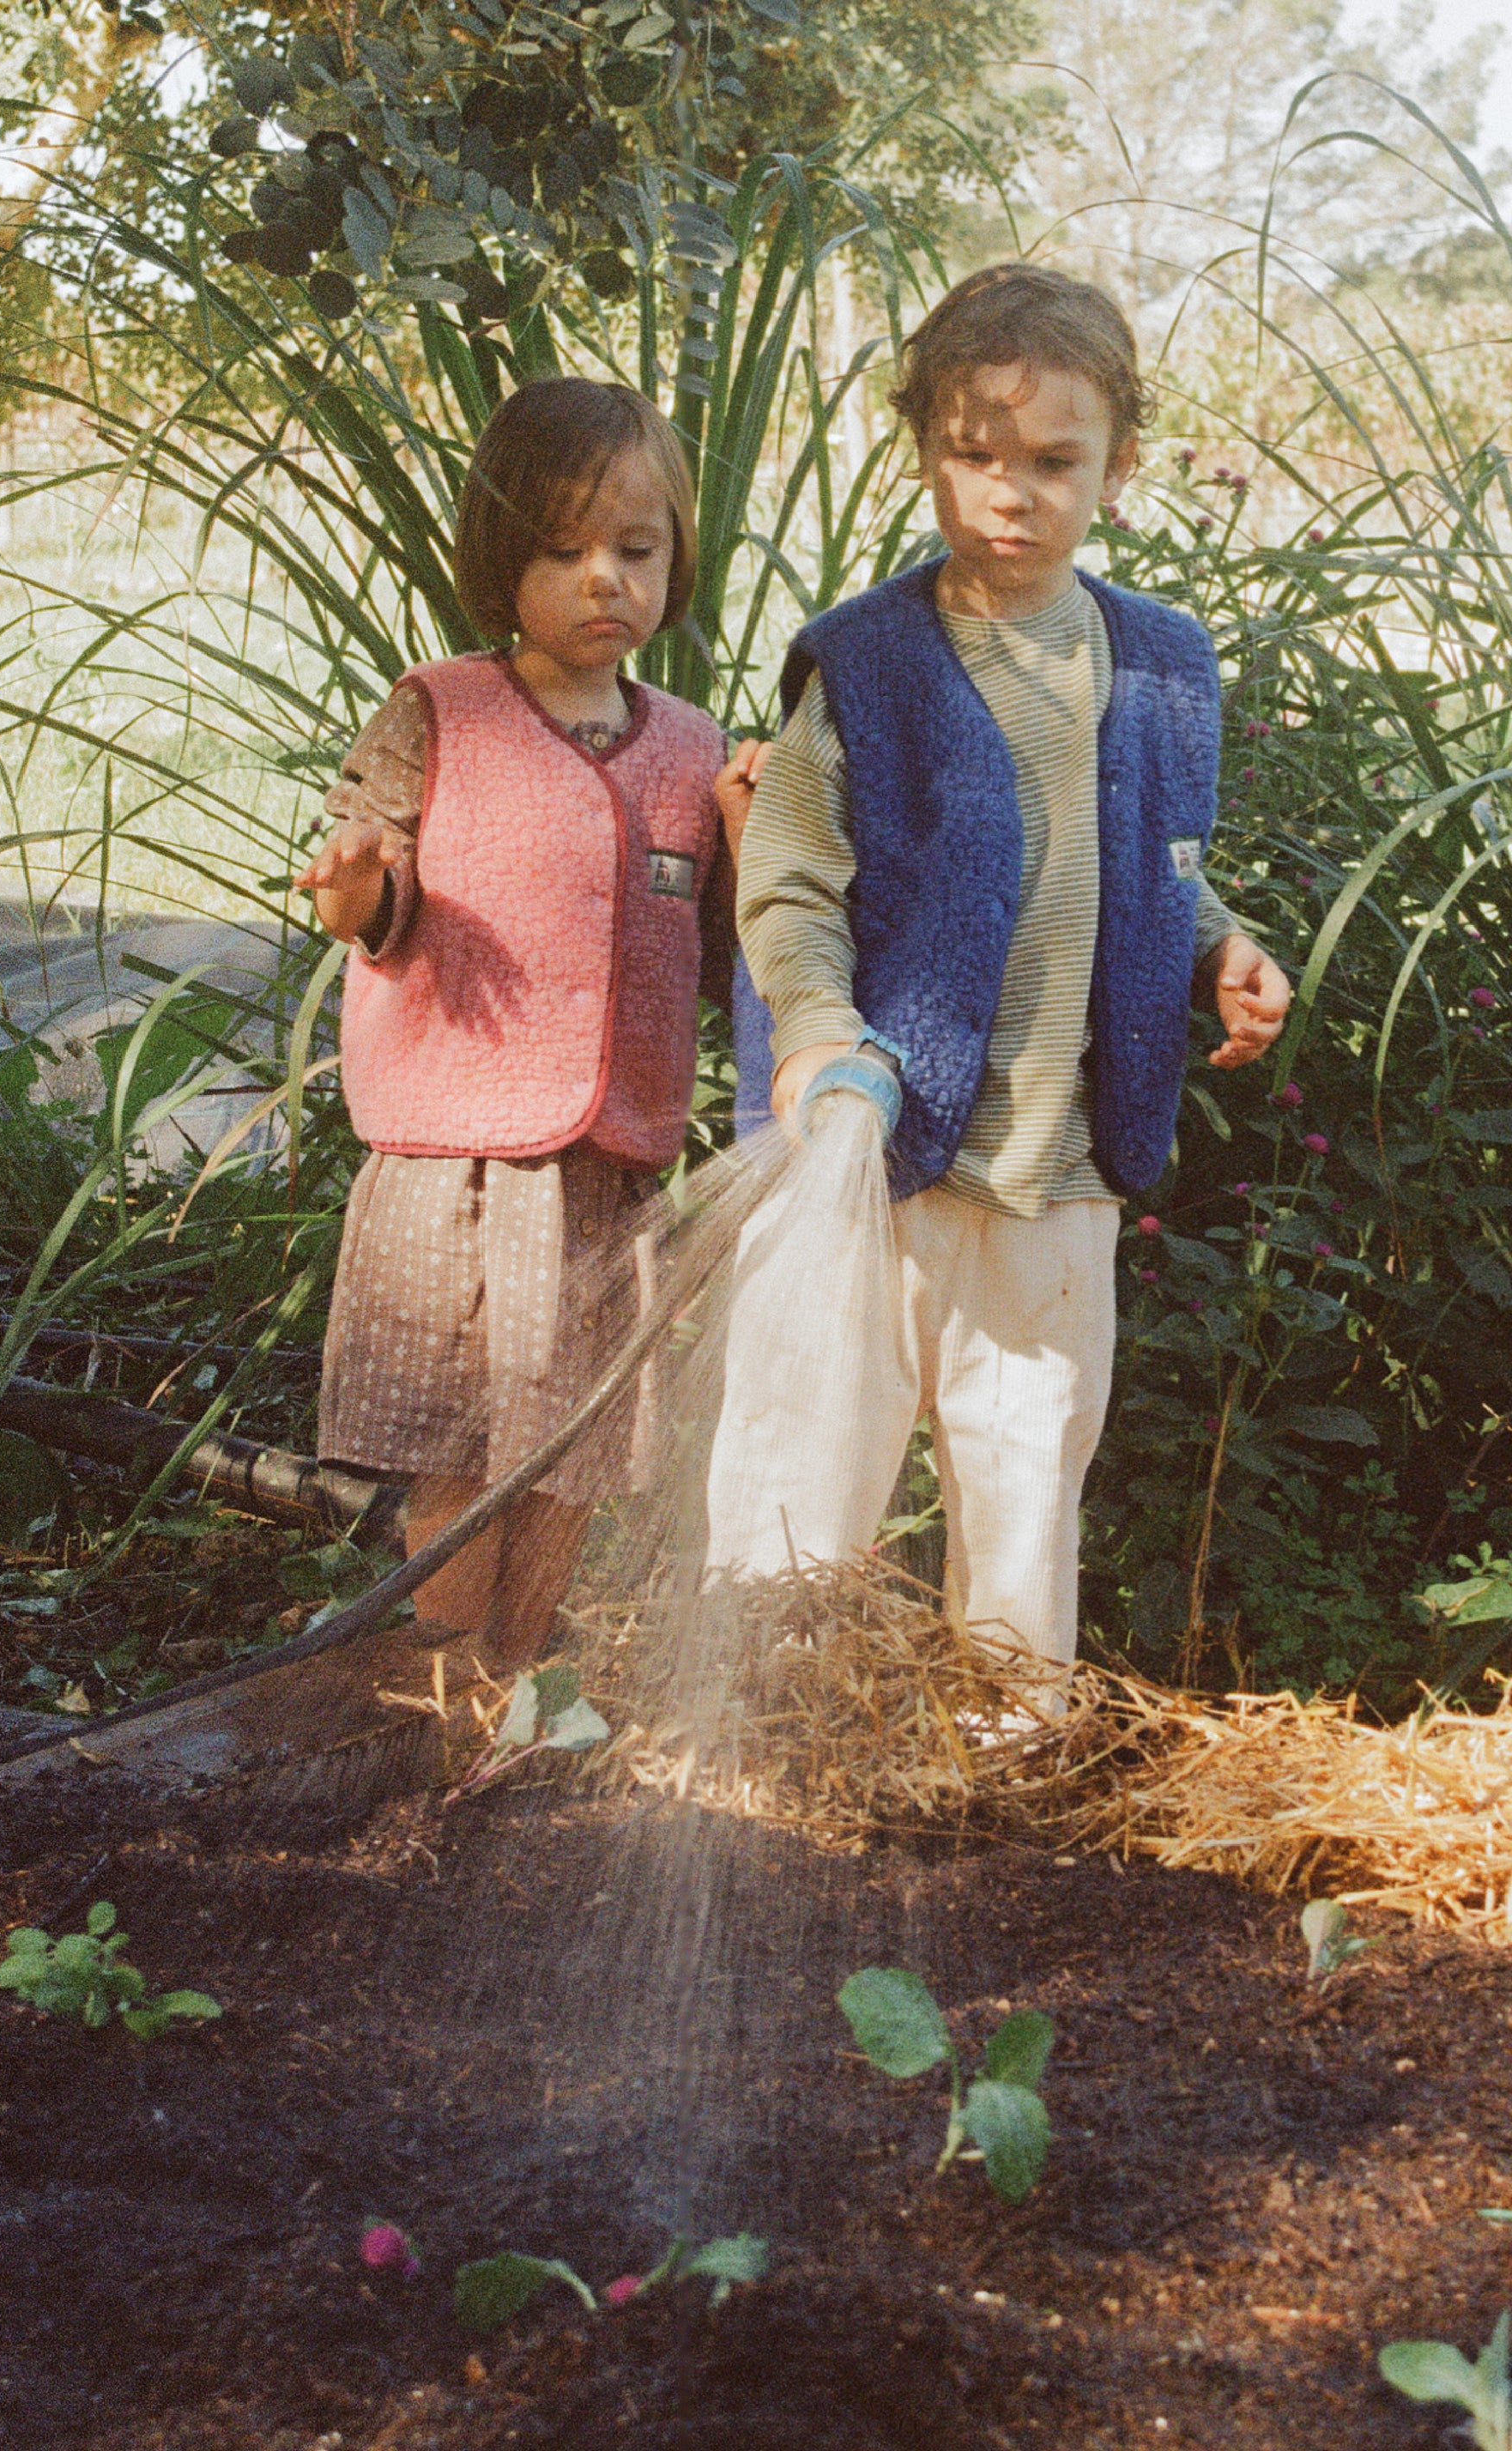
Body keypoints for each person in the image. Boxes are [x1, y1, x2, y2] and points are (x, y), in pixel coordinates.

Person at [709, 262, 1291, 1699]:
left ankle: (1010, 1766)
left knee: (1029, 1474)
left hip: (1060, 1159)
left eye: (1054, 461)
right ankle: (769, 1733)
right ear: (926, 449)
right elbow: (787, 882)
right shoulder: (868, 663)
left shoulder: (1156, 662)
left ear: (1119, 463)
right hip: (875, 1147)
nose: (1010, 493)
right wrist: (818, 1034)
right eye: (975, 456)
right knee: (811, 1462)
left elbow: (1150, 859)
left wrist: (1222, 947)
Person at [296, 378, 734, 1675]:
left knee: (576, 1450)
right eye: (562, 550)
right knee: (461, 1441)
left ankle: (515, 1678)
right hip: (465, 1160)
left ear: (674, 559)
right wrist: (357, 883)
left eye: (636, 551)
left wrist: (760, 839)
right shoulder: (439, 711)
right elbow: (366, 898)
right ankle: (443, 1674)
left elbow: (717, 942)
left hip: (613, 1164)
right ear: (503, 558)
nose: (603, 580)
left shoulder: (693, 746)